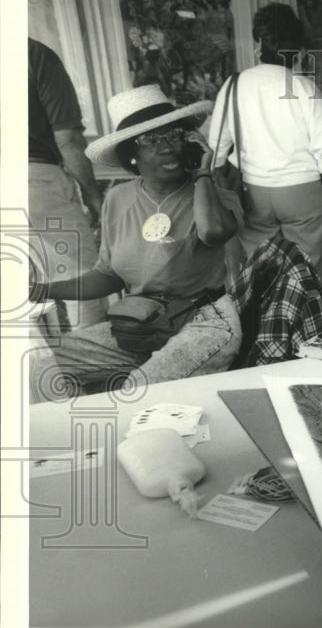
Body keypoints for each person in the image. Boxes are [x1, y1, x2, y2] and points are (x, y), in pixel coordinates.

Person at [28, 85, 244, 403]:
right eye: (150, 140)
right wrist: (44, 289)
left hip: (205, 323)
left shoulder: (213, 195)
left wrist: (202, 173)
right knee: (40, 367)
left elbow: (214, 232)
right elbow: (108, 275)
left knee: (134, 394)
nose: (166, 147)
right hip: (140, 326)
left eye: (173, 136)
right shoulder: (118, 198)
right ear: (131, 152)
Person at [208, 3, 322, 297]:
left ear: (259, 43)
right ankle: (302, 325)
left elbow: (216, 150)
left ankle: (263, 326)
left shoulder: (234, 85)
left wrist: (225, 176)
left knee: (260, 265)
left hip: (253, 190)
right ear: (298, 49)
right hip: (303, 191)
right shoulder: (305, 87)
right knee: (306, 268)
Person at [28, 38, 105, 329]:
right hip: (34, 181)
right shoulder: (33, 54)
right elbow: (68, 140)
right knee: (83, 284)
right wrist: (94, 198)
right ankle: (90, 369)